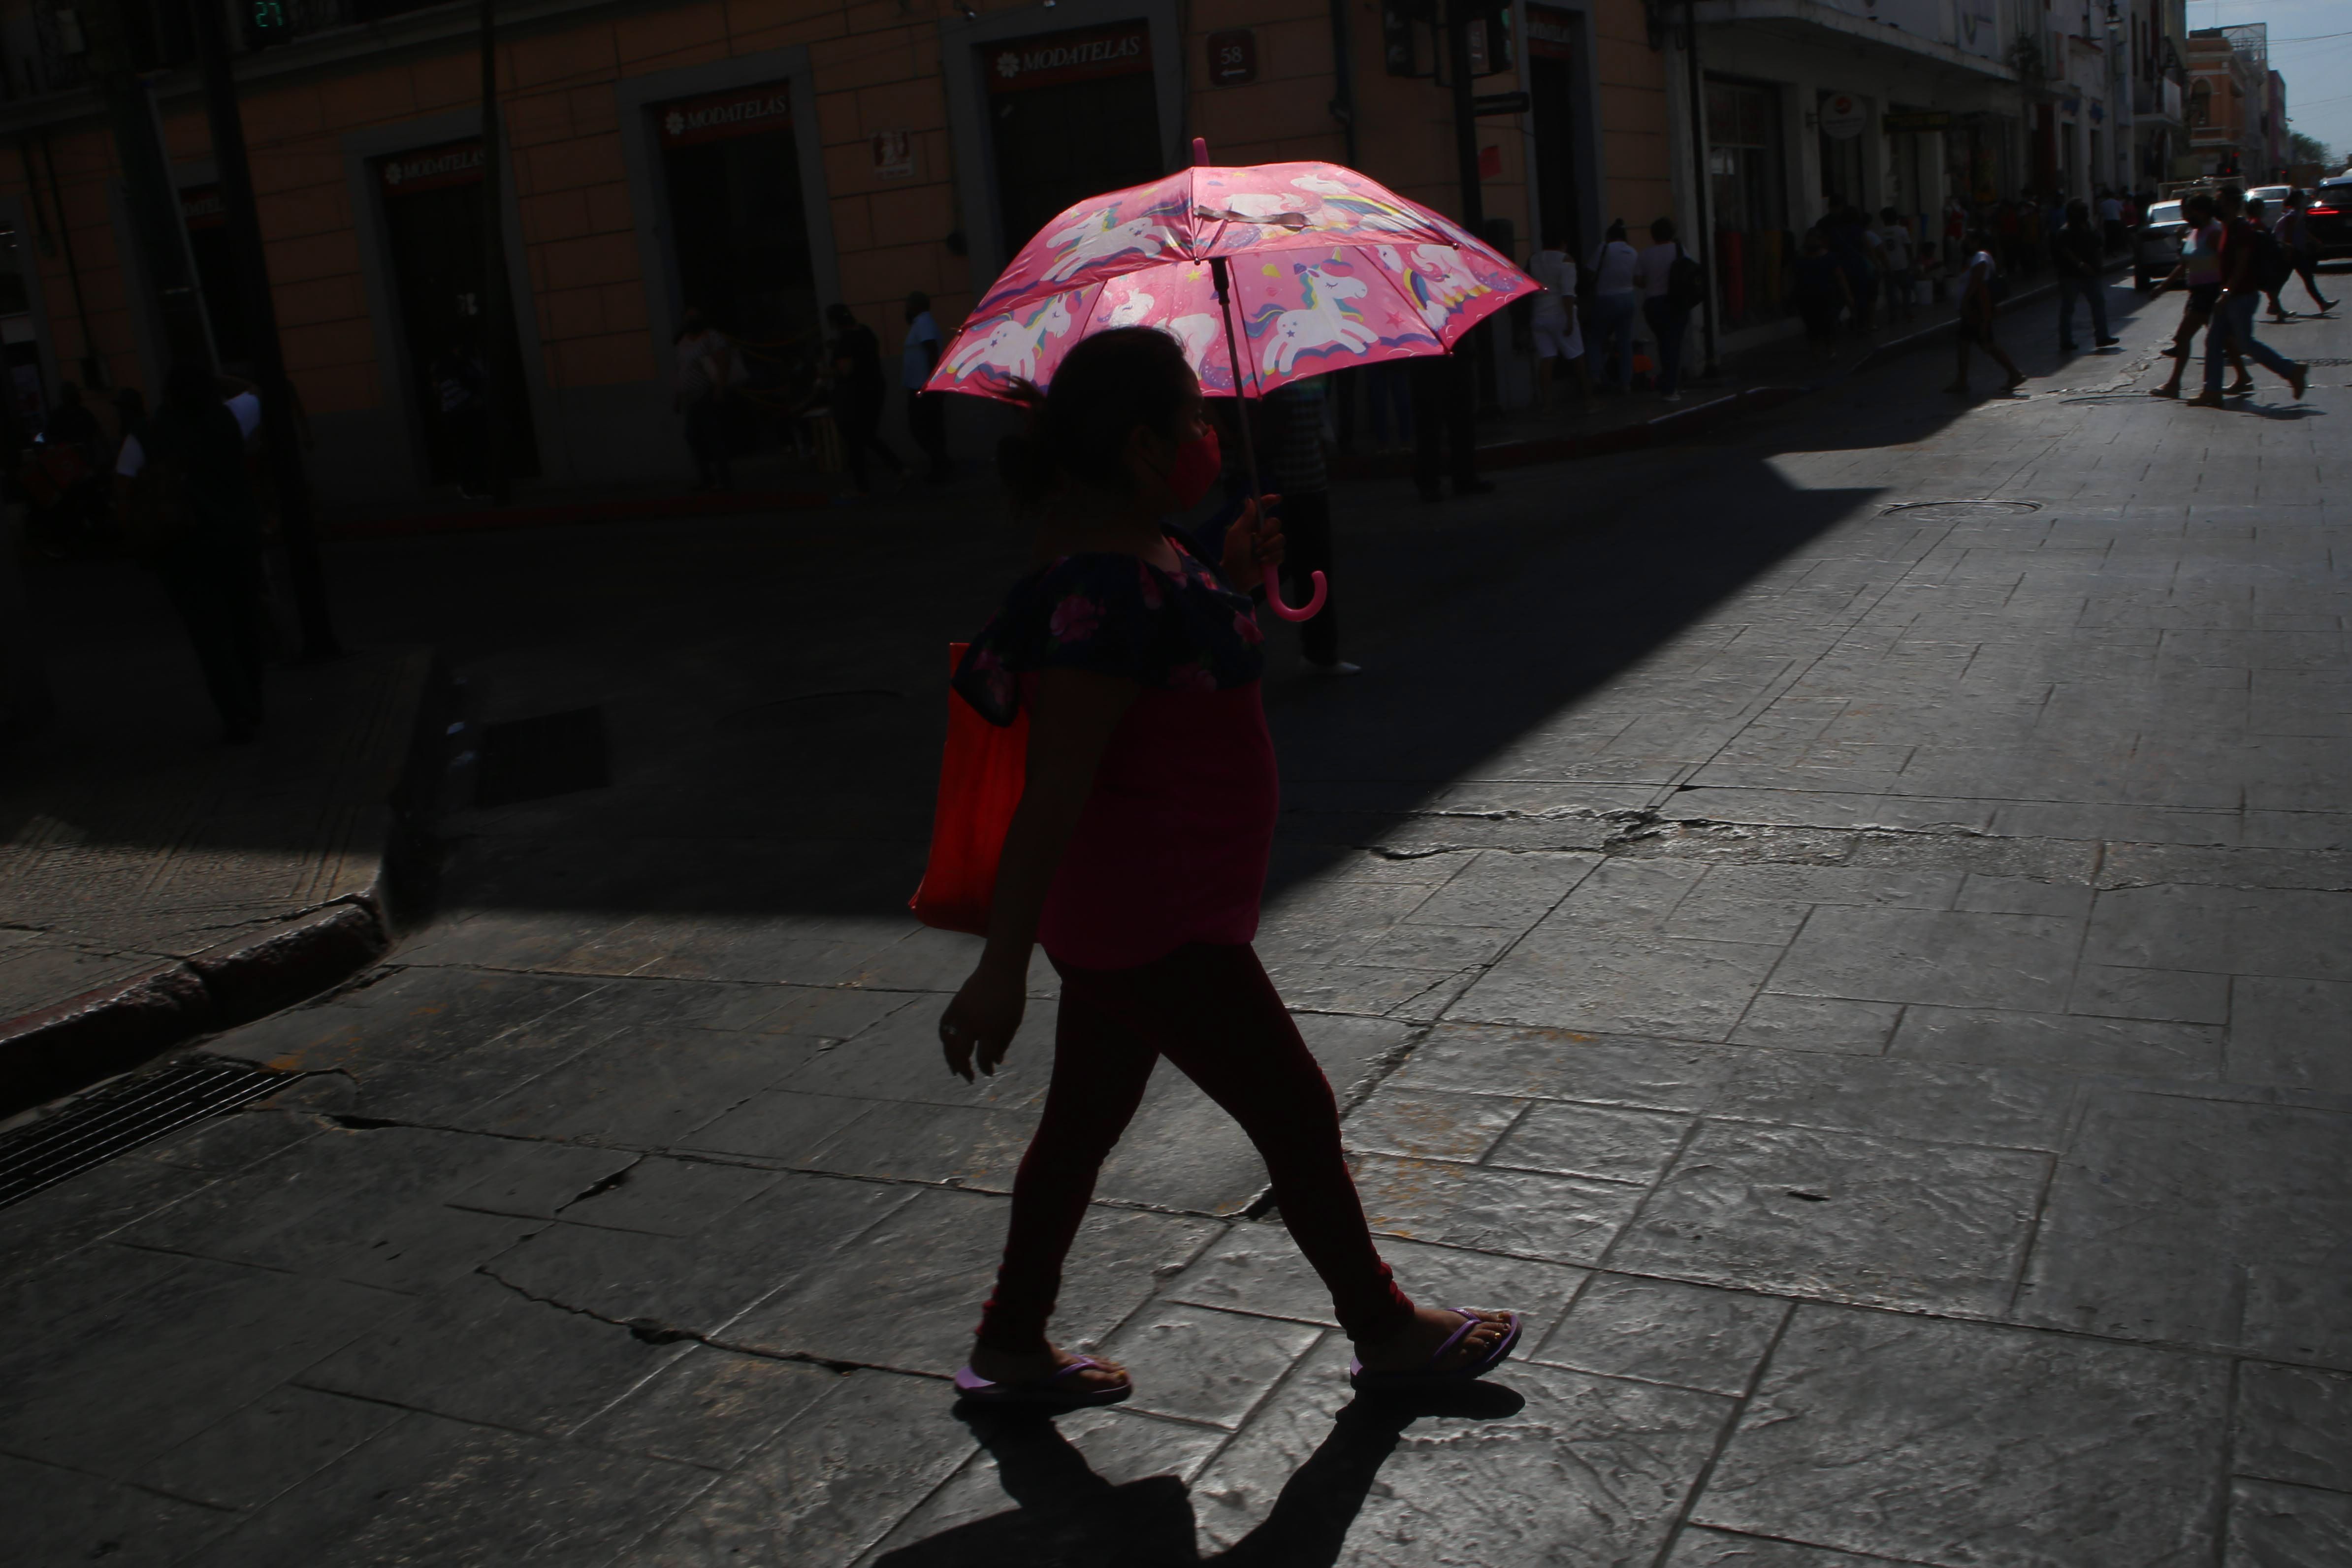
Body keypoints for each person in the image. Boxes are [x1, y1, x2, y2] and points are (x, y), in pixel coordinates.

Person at [937, 324, 1519, 1408]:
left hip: (1153, 910)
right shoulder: (1098, 591)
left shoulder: (1149, 554)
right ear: (1151, 446)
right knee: (1295, 1108)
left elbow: (1180, 670)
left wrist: (1234, 579)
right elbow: (1053, 791)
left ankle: (1012, 1338)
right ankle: (1384, 1326)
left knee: (1082, 1122)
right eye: (1199, 419)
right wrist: (999, 967)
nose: (1214, 433)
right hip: (1153, 917)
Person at [121, 362, 269, 743]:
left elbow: (122, 488)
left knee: (210, 638)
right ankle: (252, 701)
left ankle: (235, 712)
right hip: (235, 540)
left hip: (181, 550)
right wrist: (218, 378)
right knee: (245, 627)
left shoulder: (146, 435)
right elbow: (257, 388)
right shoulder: (230, 417)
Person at [1263, 376, 1353, 675]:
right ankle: (1319, 651)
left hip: (1311, 484)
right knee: (1276, 568)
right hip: (1280, 489)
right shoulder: (1271, 376)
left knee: (1313, 568)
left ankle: (1321, 652)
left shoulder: (1307, 371)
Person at [2188, 186, 2308, 410]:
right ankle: (2212, 391)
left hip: (2241, 296)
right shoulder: (2227, 228)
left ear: (2232, 205)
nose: (2217, 206)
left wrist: (2227, 292)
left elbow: (2242, 264)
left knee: (2245, 343)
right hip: (2231, 295)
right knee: (2214, 341)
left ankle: (2292, 371)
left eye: (2221, 201)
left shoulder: (2241, 229)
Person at [2149, 193, 2245, 400]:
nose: (2185, 216)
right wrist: (2163, 287)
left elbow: (2228, 262)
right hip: (2198, 293)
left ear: (2201, 212)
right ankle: (2243, 377)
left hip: (2210, 293)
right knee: (2224, 339)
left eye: (2189, 212)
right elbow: (2184, 265)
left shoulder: (2214, 232)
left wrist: (2226, 291)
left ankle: (2175, 385)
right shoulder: (2195, 232)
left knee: (2184, 337)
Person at [826, 302, 902, 494]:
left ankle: (864, 485)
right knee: (866, 435)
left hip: (856, 395)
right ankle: (898, 469)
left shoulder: (845, 341)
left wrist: (826, 372)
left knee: (856, 438)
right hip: (875, 388)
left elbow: (846, 370)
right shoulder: (866, 332)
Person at [1946, 231, 2025, 395]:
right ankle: (1962, 381)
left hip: (1976, 310)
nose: (1964, 243)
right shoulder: (1974, 259)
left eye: (1967, 240)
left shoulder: (1980, 260)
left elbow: (1979, 287)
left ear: (1976, 242)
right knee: (1965, 343)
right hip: (1973, 310)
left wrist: (1976, 309)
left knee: (1987, 344)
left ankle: (2014, 374)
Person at [1410, 348, 1488, 500]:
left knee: (1461, 423)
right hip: (1426, 363)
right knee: (1430, 426)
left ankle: (1464, 478)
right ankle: (1429, 483)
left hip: (1452, 360)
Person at [672, 307, 735, 492]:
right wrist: (678, 396)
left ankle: (722, 480)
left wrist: (720, 388)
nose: (691, 320)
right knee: (694, 437)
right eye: (688, 317)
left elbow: (723, 362)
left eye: (694, 317)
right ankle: (707, 478)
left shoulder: (711, 337)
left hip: (706, 392)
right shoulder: (682, 342)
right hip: (691, 397)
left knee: (711, 437)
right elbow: (681, 371)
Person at [1526, 231, 1590, 412]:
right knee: (1577, 357)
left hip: (1539, 315)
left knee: (1547, 359)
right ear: (1563, 243)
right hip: (1560, 314)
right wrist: (1570, 319)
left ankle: (1547, 406)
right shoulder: (1566, 260)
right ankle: (1589, 400)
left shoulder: (1534, 259)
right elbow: (1568, 293)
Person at [1635, 217, 1695, 403]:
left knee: (1664, 343)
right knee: (1673, 344)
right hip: (1674, 302)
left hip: (1653, 304)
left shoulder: (1645, 254)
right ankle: (1670, 387)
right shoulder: (1679, 250)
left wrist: (1651, 282)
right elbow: (1690, 271)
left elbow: (1638, 280)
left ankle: (1669, 383)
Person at [2052, 199, 2119, 353]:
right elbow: (2065, 252)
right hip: (2071, 276)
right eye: (2082, 210)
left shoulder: (2090, 228)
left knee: (2099, 304)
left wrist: (2098, 265)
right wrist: (2082, 265)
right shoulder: (2065, 231)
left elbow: (2098, 246)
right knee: (2068, 308)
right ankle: (2066, 340)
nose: (2085, 213)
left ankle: (2102, 337)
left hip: (2092, 275)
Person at [427, 345, 490, 499]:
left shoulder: (456, 366)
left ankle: (472, 485)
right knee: (468, 451)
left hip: (458, 413)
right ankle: (471, 486)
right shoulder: (453, 367)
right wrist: (473, 400)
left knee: (468, 451)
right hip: (461, 413)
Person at [1587, 219, 1641, 393]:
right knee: (1625, 342)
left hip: (1606, 298)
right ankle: (1626, 383)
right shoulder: (1633, 252)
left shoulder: (1604, 248)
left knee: (1594, 338)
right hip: (1628, 298)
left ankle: (1596, 377)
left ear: (1609, 236)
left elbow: (1590, 272)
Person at [903, 291, 952, 482]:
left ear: (915, 306)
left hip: (923, 388)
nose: (905, 310)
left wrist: (933, 383)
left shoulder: (923, 322)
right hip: (920, 386)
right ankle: (941, 465)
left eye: (907, 305)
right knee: (929, 428)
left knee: (923, 427)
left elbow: (931, 350)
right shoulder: (920, 324)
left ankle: (941, 466)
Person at [2272, 191, 2338, 315]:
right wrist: (2288, 250)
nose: (2305, 201)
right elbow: (2288, 235)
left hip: (2295, 251)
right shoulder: (2292, 216)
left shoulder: (2297, 214)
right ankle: (2322, 303)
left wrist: (2315, 241)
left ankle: (2274, 305)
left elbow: (2303, 232)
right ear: (2297, 201)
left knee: (2284, 280)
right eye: (2302, 199)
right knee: (2304, 278)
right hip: (2293, 251)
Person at [1791, 229, 1850, 361]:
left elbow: (1840, 278)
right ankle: (1821, 352)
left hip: (1823, 298)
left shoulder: (1825, 258)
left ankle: (1827, 350)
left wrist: (1847, 295)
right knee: (1814, 326)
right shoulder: (1802, 259)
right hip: (1809, 299)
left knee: (1826, 325)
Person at [2242, 199, 2296, 323]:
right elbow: (2267, 240)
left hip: (2260, 258)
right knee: (2272, 284)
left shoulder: (2252, 222)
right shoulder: (2255, 223)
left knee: (2270, 286)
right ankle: (2277, 310)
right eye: (2262, 208)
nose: (2264, 211)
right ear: (2257, 210)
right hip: (2262, 259)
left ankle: (2277, 309)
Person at [1877, 208, 1917, 323]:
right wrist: (1912, 262)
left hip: (1888, 266)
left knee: (1891, 292)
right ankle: (1907, 313)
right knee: (1906, 289)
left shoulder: (1880, 232)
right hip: (1902, 265)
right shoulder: (1902, 231)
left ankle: (1893, 315)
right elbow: (1908, 247)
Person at [2097, 188, 2126, 252]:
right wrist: (2123, 220)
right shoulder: (2117, 203)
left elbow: (2100, 215)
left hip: (2108, 222)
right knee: (2116, 236)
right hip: (2116, 221)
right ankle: (2116, 250)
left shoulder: (2103, 204)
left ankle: (2110, 250)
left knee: (2109, 236)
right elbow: (2122, 212)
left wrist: (2099, 224)